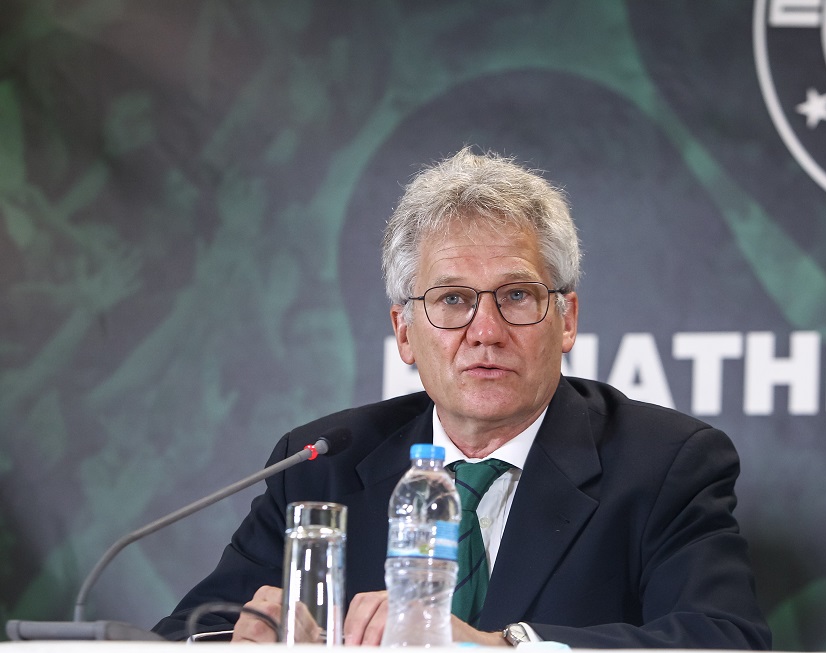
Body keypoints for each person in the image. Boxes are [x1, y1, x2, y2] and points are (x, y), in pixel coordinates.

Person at [152, 147, 772, 648]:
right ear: (404, 333)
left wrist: (502, 647)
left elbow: (723, 640)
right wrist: (243, 643)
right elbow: (181, 634)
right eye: (452, 300)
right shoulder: (321, 466)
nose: (485, 331)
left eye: (517, 296)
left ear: (567, 320)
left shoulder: (665, 465)